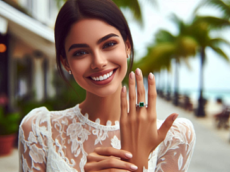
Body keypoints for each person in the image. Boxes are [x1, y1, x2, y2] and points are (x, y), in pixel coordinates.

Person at [18, 0, 196, 171]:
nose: (98, 62)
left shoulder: (175, 137)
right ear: (66, 63)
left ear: (127, 46)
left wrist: (137, 162)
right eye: (80, 52)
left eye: (109, 44)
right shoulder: (38, 131)